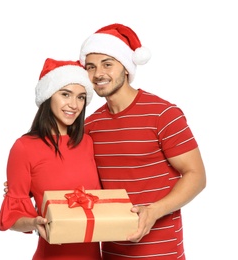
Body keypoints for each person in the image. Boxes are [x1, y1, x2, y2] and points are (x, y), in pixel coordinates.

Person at [78, 23, 206, 259]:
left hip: (162, 251)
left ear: (126, 68)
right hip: (111, 251)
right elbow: (82, 181)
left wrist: (154, 211)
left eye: (108, 64)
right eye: (91, 67)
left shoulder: (163, 114)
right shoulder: (91, 126)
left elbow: (196, 175)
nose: (98, 74)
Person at [0, 58, 102, 260]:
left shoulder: (88, 143)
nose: (74, 105)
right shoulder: (24, 147)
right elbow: (13, 215)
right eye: (65, 94)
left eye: (81, 97)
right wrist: (34, 223)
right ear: (48, 96)